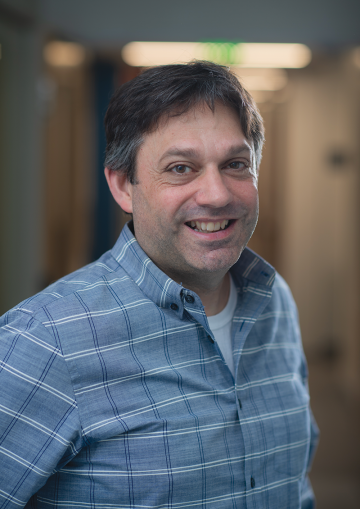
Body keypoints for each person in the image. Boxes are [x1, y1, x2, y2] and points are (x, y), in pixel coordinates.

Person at [0, 61, 318, 508]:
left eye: (235, 164)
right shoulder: (46, 340)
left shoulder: (274, 302)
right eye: (181, 168)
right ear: (122, 185)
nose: (217, 193)